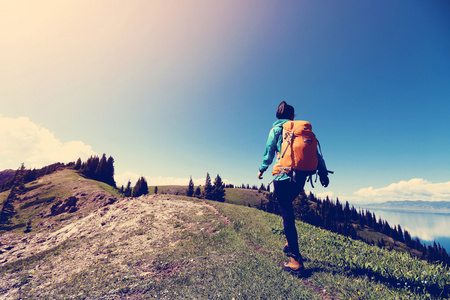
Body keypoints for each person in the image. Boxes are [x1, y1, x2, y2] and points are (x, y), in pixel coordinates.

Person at [258, 101, 328, 275]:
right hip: (300, 177)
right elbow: (316, 155)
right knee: (288, 209)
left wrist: (262, 169)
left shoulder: (276, 129)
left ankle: (295, 261)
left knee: (287, 214)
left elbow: (269, 150)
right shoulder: (301, 130)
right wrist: (323, 173)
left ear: (277, 115)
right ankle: (290, 243)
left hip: (282, 176)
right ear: (292, 116)